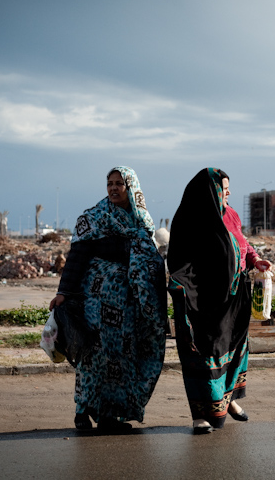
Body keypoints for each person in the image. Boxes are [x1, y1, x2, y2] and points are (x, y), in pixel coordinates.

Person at [48, 166, 167, 433]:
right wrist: (63, 293)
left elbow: (150, 259)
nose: (113, 188)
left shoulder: (142, 220)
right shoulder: (95, 217)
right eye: (109, 183)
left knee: (121, 359)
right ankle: (82, 411)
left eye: (119, 184)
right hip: (97, 304)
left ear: (131, 187)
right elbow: (76, 258)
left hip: (128, 308)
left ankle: (110, 416)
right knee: (93, 356)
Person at [167, 168, 271, 434]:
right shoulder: (190, 220)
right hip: (203, 303)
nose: (229, 194)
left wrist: (255, 260)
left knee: (235, 350)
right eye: (224, 189)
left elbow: (243, 244)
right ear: (209, 191)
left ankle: (230, 400)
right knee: (204, 357)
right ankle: (200, 415)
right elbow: (180, 260)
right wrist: (181, 286)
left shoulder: (232, 214)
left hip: (233, 300)